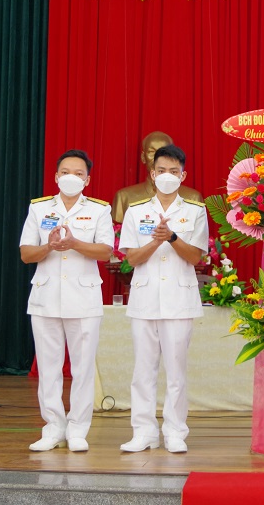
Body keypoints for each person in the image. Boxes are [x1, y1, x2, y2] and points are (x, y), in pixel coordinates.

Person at [19, 149, 114, 452]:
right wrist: (48, 247)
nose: (71, 177)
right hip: (46, 297)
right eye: (65, 172)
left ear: (87, 180)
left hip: (84, 298)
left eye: (78, 173)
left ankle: (77, 429)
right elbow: (26, 254)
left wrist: (74, 243)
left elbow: (106, 251)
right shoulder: (39, 209)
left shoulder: (99, 210)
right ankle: (52, 428)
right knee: (49, 368)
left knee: (83, 369)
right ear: (56, 176)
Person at [118, 145, 208, 453]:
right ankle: (143, 432)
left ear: (183, 175)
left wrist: (171, 236)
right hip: (144, 300)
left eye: (173, 171)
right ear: (152, 174)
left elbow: (195, 256)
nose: (167, 176)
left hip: (179, 300)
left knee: (176, 371)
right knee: (143, 371)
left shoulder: (194, 210)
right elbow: (131, 258)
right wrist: (156, 242)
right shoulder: (136, 211)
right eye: (161, 171)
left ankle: (175, 432)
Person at [112, 131, 203, 224]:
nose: (157, 158)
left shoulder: (193, 198)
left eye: (163, 152)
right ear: (143, 157)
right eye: (151, 152)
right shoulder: (124, 197)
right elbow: (118, 230)